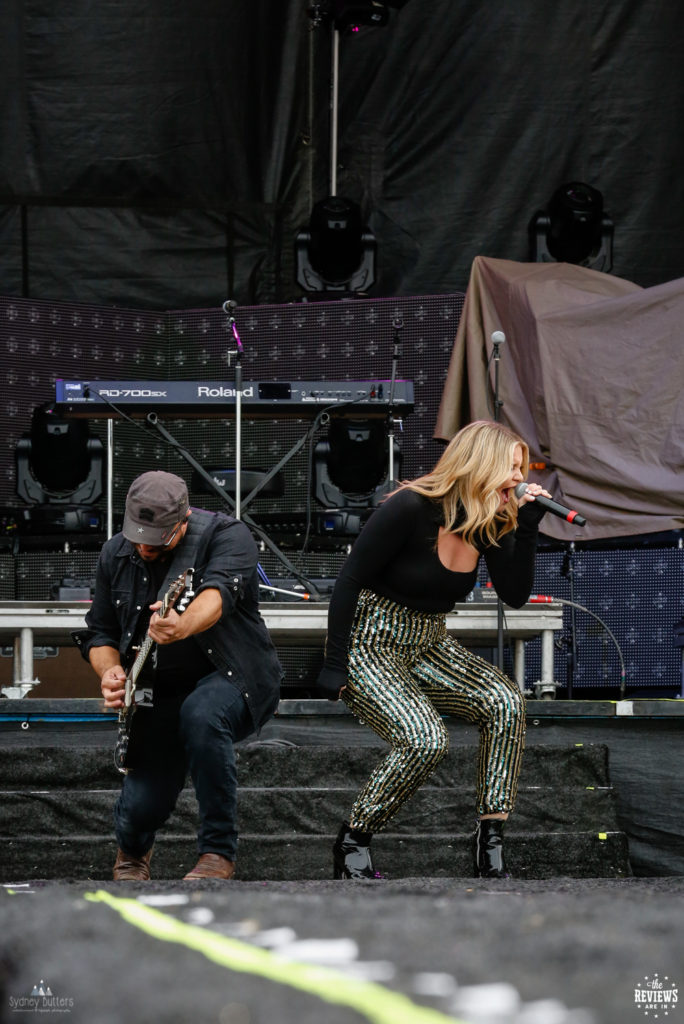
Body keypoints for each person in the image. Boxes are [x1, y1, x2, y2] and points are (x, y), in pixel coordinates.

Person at [316, 419, 551, 879]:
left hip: (429, 641)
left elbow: (515, 594)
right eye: (512, 468)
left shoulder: (492, 519)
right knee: (425, 740)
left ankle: (491, 837)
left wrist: (525, 530)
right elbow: (349, 581)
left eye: (522, 470)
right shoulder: (410, 507)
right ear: (481, 463)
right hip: (372, 641)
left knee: (504, 702)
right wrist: (334, 663)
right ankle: (354, 838)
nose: (519, 479)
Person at [74, 470, 282, 881]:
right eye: (137, 535)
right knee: (140, 809)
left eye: (156, 539)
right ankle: (132, 854)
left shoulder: (227, 536)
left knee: (202, 714)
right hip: (158, 690)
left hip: (233, 676)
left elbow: (217, 595)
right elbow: (98, 631)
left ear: (183, 521)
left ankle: (217, 853)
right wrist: (110, 670)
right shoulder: (114, 554)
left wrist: (181, 626)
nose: (143, 547)